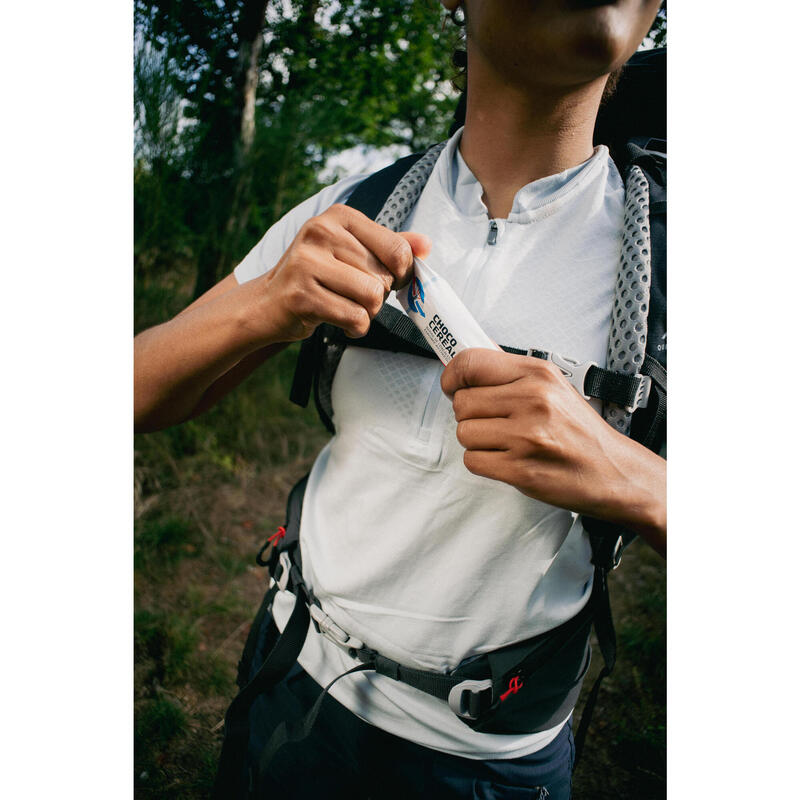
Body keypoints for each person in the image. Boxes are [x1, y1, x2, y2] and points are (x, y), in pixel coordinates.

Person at [134, 1, 666, 797]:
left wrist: (636, 480)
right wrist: (264, 304)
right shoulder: (355, 205)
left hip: (490, 764)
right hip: (287, 678)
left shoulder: (683, 263)